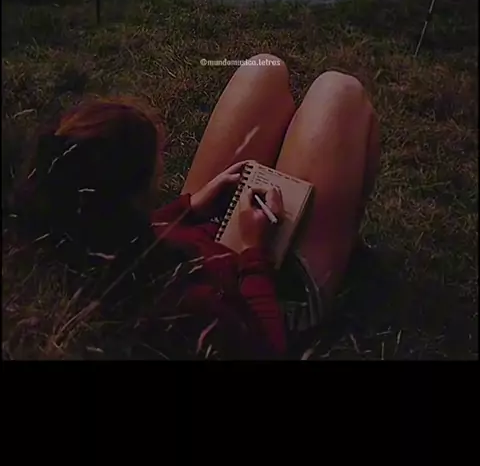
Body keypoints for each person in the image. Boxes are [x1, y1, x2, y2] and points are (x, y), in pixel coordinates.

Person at [12, 54, 379, 360]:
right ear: (135, 198)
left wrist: (186, 210)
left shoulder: (69, 234)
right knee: (341, 92)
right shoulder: (183, 307)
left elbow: (135, 237)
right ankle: (338, 251)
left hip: (198, 246)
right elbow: (263, 346)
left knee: (263, 68)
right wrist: (254, 252)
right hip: (267, 295)